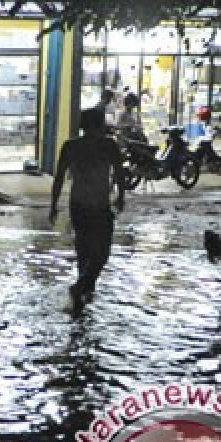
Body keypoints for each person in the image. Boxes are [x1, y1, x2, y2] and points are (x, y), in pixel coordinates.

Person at [49, 108, 126, 310]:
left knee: (83, 249)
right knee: (101, 253)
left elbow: (58, 178)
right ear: (101, 125)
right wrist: (121, 196)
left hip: (78, 206)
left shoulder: (71, 146)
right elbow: (119, 174)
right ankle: (82, 288)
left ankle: (83, 291)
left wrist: (54, 205)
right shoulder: (109, 146)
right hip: (99, 206)